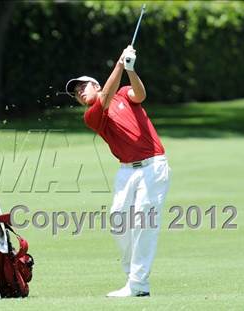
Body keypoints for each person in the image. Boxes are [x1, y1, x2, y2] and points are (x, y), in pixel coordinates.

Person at [65, 45, 170, 297]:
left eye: (83, 86)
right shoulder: (92, 115)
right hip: (126, 171)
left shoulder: (124, 93)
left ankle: (138, 284)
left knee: (143, 223)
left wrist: (131, 69)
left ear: (96, 85)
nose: (79, 93)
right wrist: (121, 64)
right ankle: (131, 277)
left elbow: (140, 95)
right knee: (118, 223)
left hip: (153, 166)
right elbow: (106, 96)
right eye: (76, 93)